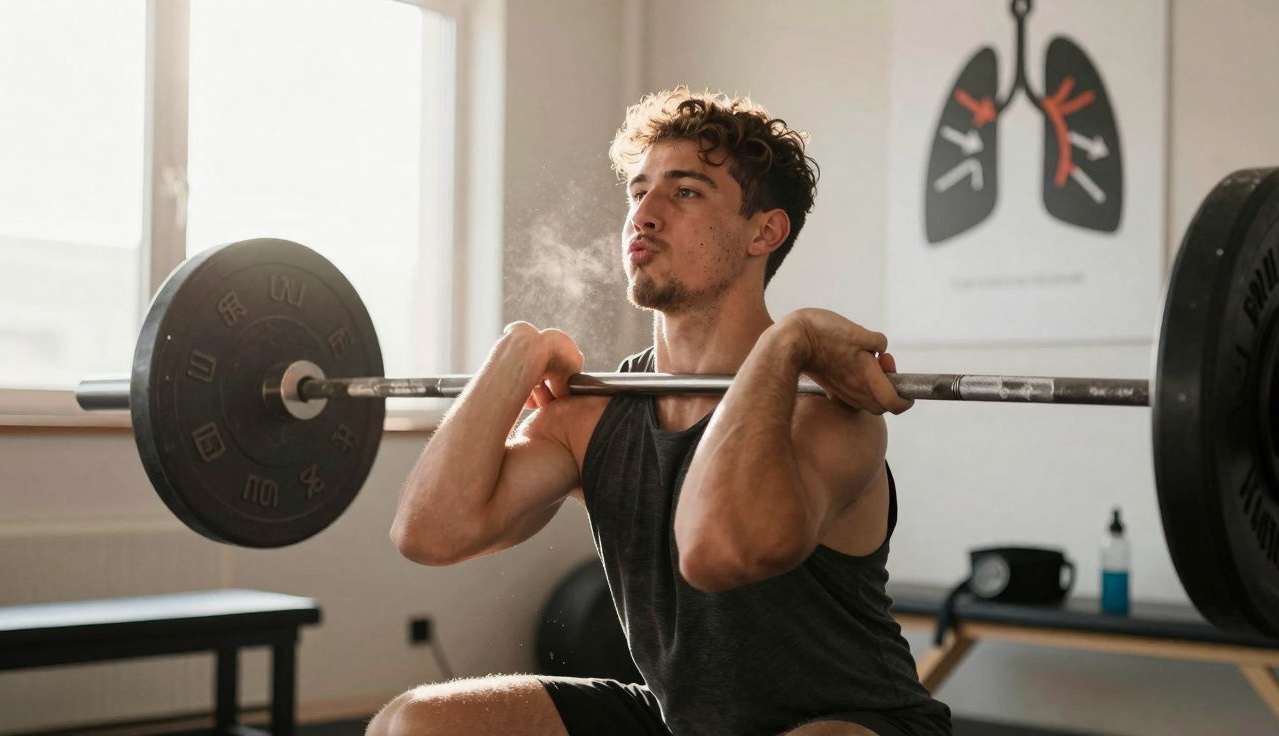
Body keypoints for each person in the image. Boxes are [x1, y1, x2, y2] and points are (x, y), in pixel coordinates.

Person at [366, 87, 952, 736]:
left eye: (686, 191)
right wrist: (514, 359)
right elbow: (428, 533)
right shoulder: (594, 415)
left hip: (852, 722)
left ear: (765, 230)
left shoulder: (825, 411)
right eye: (638, 191)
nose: (644, 213)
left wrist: (788, 343)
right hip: (680, 721)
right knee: (412, 724)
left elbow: (713, 554)